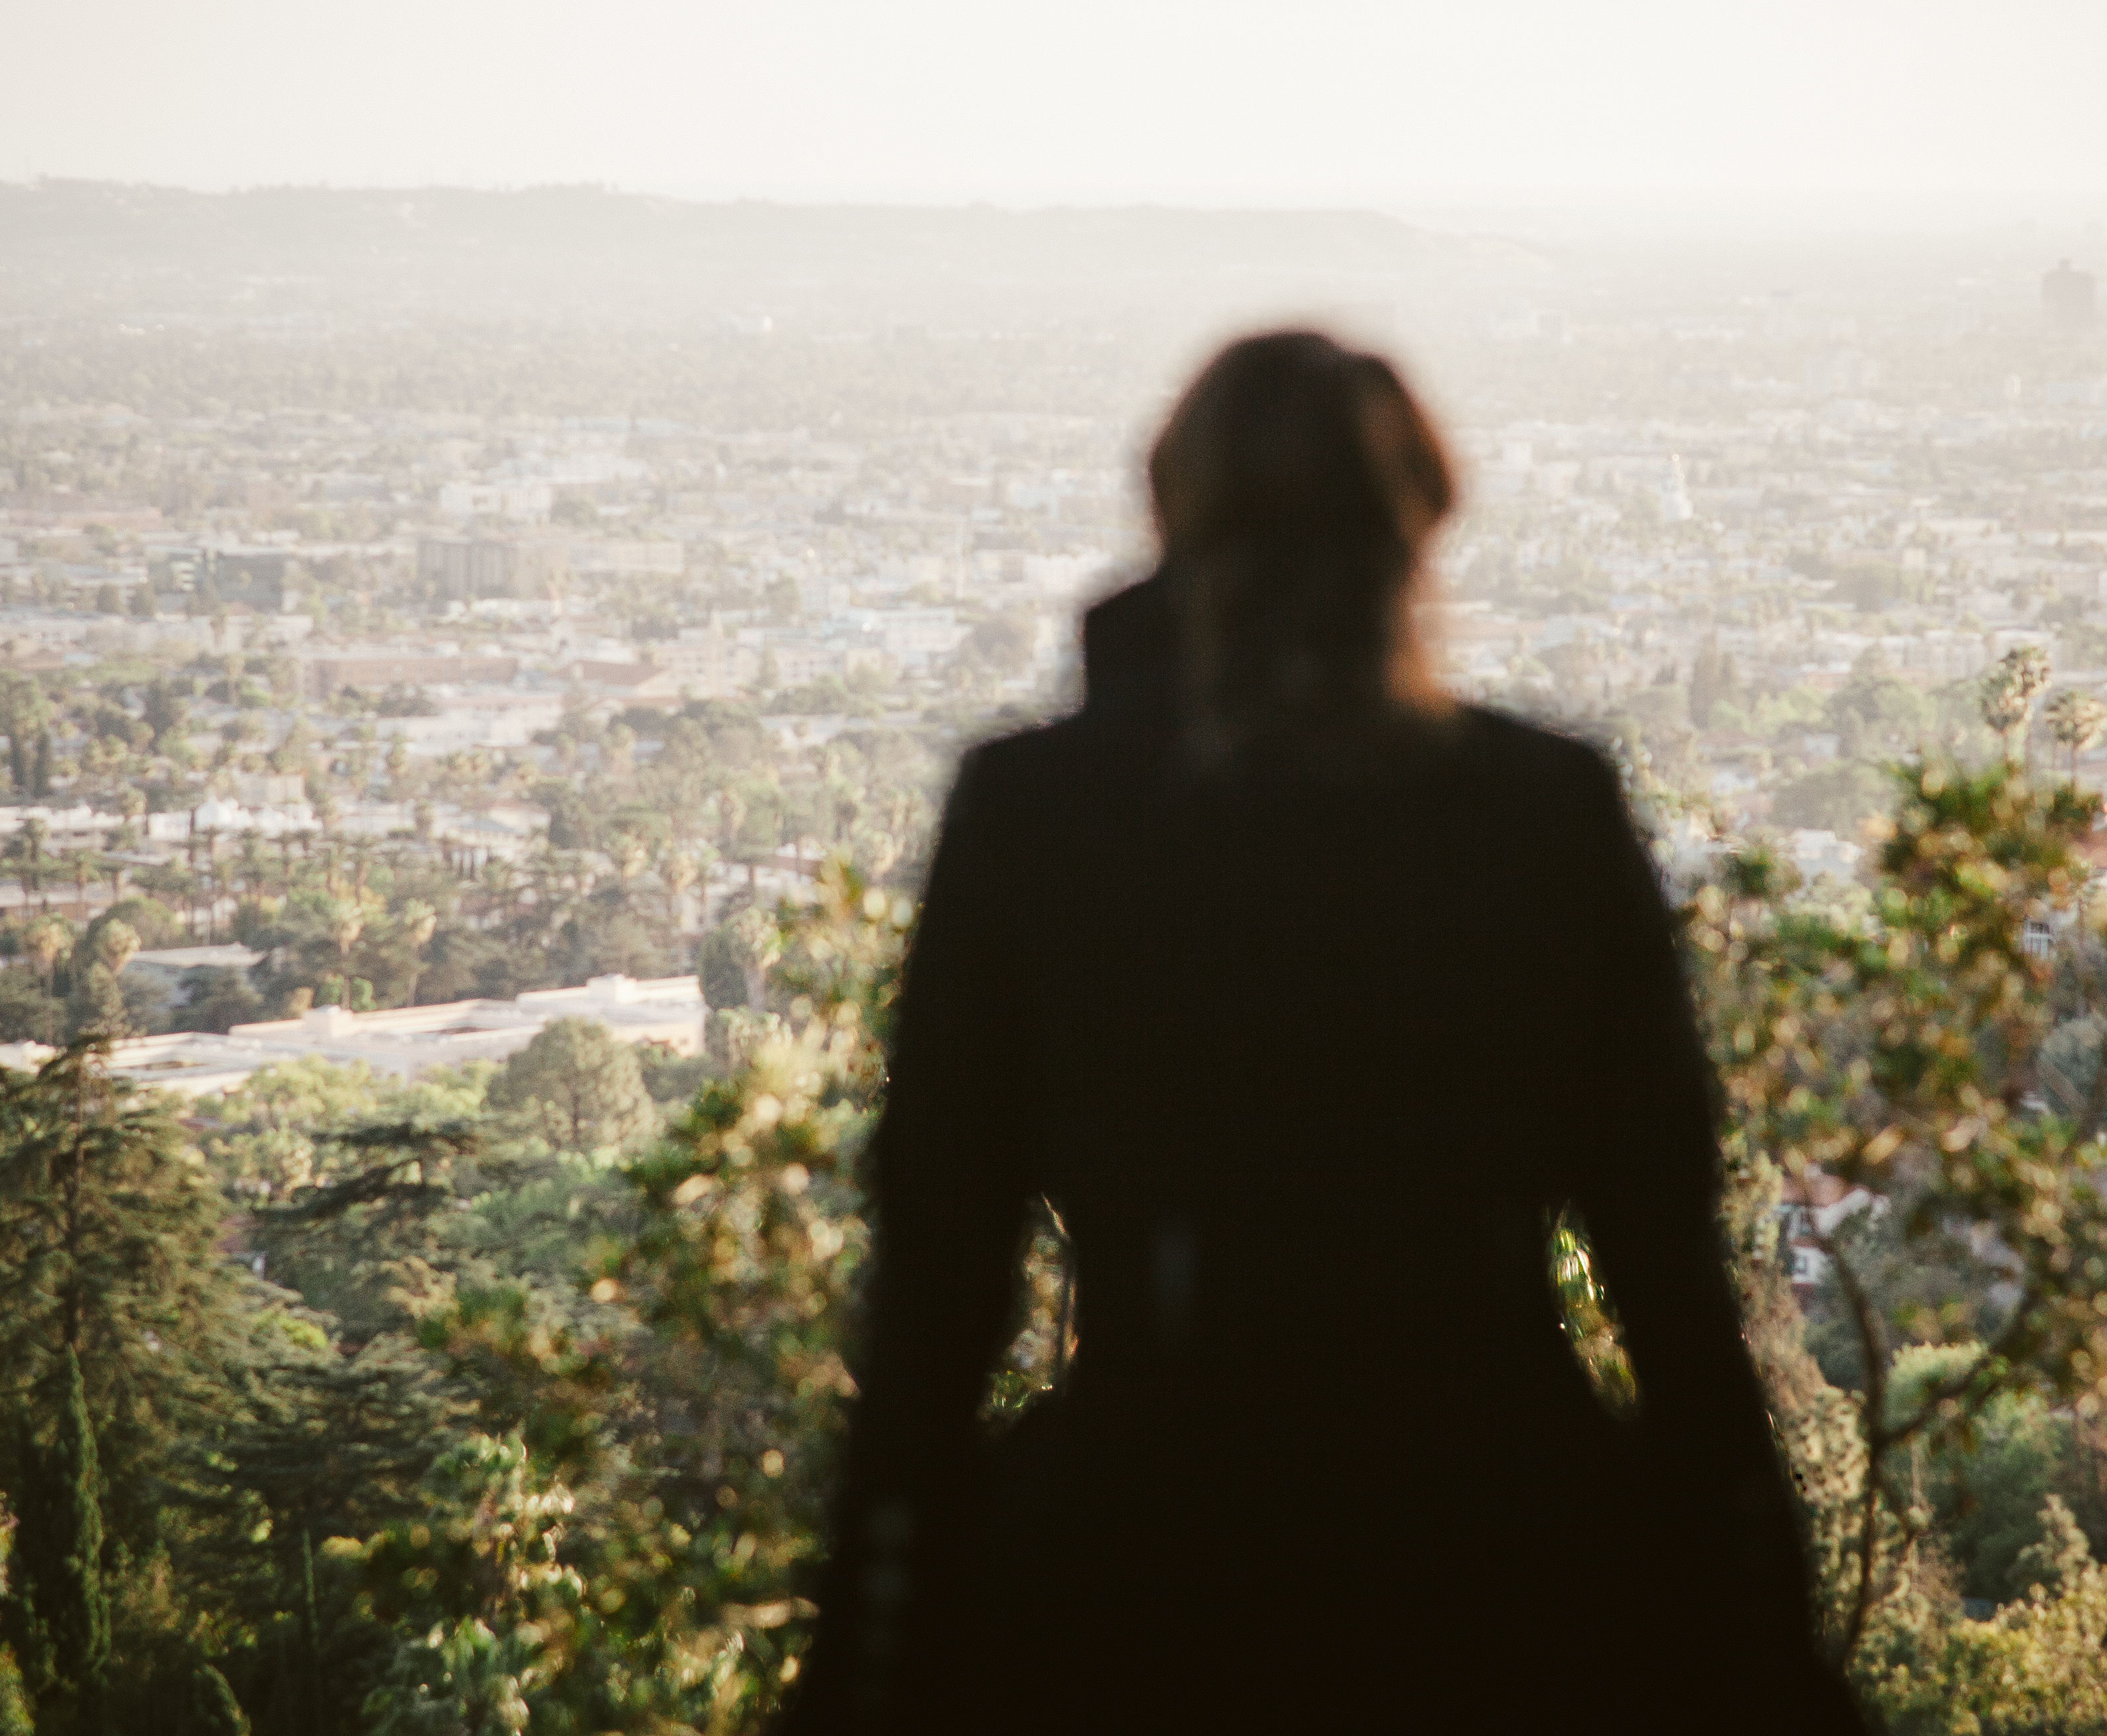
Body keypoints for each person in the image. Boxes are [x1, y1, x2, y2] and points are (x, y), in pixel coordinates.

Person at [785, 331, 1862, 1734]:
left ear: (1173, 517)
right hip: (1505, 1552)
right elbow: (1668, 1269)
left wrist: (869, 1649)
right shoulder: (1543, 809)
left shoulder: (1040, 815)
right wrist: (1769, 1645)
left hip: (1139, 1548)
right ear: (1420, 520)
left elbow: (938, 1280)